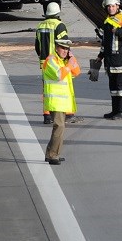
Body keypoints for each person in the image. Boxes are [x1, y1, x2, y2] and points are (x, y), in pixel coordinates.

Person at [42, 33, 80, 166]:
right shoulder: (51, 60)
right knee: (59, 127)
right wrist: (69, 65)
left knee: (59, 128)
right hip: (55, 102)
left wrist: (72, 59)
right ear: (56, 48)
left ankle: (51, 154)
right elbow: (59, 75)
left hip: (62, 102)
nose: (65, 51)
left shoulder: (63, 61)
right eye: (63, 48)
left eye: (67, 49)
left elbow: (77, 72)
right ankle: (53, 156)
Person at [97, 0, 122, 119]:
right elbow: (106, 42)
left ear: (117, 6)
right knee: (113, 87)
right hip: (110, 61)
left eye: (113, 6)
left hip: (121, 60)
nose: (110, 9)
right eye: (108, 7)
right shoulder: (108, 21)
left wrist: (118, 31)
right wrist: (100, 56)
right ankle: (115, 111)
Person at [35, 2, 70, 124]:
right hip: (57, 62)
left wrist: (42, 57)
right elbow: (64, 45)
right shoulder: (59, 25)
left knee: (47, 90)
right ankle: (65, 113)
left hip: (45, 63)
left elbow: (37, 46)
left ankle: (47, 116)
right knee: (62, 90)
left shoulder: (40, 25)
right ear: (58, 13)